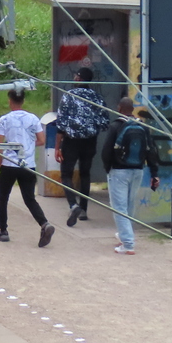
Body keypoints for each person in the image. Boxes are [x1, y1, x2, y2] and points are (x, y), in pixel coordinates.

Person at [0, 88, 55, 246]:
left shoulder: (4, 119)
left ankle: (3, 230)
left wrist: (1, 162)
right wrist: (29, 145)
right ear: (23, 101)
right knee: (29, 199)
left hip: (9, 164)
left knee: (3, 198)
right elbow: (42, 140)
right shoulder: (33, 118)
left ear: (10, 101)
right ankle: (44, 223)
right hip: (28, 165)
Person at [101, 96, 160, 254]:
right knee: (129, 205)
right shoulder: (142, 127)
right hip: (138, 170)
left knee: (119, 208)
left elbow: (106, 151)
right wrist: (154, 172)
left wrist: (108, 168)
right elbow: (151, 150)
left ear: (119, 108)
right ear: (132, 109)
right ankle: (123, 235)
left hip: (119, 171)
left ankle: (127, 243)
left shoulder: (116, 126)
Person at [54, 67, 109, 227]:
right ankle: (84, 209)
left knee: (66, 173)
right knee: (85, 174)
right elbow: (105, 122)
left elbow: (61, 123)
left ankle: (73, 205)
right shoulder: (97, 97)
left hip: (71, 141)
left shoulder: (69, 96)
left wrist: (57, 147)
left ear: (79, 78)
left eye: (76, 75)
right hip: (90, 141)